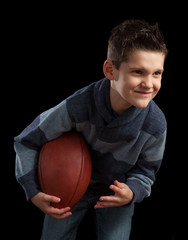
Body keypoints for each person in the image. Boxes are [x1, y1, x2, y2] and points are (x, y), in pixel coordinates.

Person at [14, 19, 168, 240]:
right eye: (138, 72)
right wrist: (33, 191)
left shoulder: (155, 123)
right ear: (110, 70)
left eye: (157, 73)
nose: (149, 83)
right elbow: (26, 141)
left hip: (115, 193)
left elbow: (146, 172)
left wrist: (131, 192)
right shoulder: (79, 106)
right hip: (69, 186)